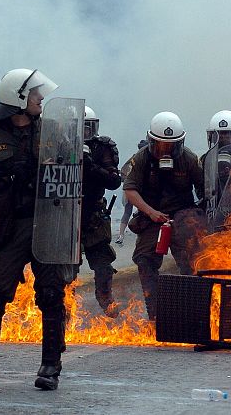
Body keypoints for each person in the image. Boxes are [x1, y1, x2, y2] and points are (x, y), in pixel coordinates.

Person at [0, 68, 72, 391]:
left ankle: (50, 366)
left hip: (47, 221)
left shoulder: (51, 129)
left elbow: (68, 163)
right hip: (10, 223)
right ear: (19, 99)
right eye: (36, 94)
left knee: (51, 293)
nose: (41, 99)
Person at [123, 111, 205, 320]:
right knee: (144, 259)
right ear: (151, 141)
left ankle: (192, 312)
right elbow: (130, 190)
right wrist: (151, 213)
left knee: (193, 262)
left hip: (182, 216)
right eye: (160, 145)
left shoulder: (189, 159)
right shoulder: (141, 158)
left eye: (170, 145)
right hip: (152, 217)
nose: (165, 150)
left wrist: (198, 219)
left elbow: (204, 189)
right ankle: (156, 314)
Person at [79, 106, 122, 317]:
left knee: (103, 263)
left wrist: (90, 167)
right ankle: (62, 309)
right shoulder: (57, 144)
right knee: (62, 266)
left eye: (88, 128)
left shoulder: (102, 147)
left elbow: (114, 181)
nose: (84, 132)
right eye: (80, 128)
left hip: (93, 212)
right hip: (64, 211)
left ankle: (106, 300)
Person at [200, 110, 231, 210]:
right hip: (215, 210)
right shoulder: (205, 159)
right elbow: (202, 188)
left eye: (226, 133)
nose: (222, 138)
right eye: (218, 134)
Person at [116, 139, 148, 245]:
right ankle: (123, 235)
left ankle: (122, 235)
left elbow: (123, 172)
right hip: (136, 190)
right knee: (136, 211)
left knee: (129, 212)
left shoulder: (134, 158)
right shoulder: (139, 158)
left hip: (132, 189)